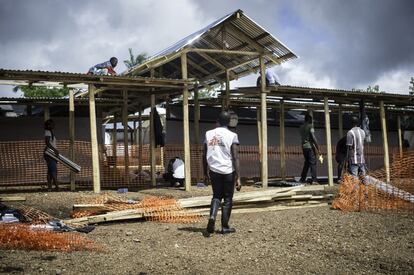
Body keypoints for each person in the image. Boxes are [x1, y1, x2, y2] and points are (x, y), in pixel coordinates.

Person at [203, 111, 241, 235]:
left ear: (217, 121)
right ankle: (225, 227)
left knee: (216, 196)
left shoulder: (208, 134)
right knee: (228, 198)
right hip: (228, 171)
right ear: (229, 122)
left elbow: (204, 155)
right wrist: (238, 177)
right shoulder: (232, 135)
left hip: (214, 170)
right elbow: (235, 157)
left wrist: (205, 172)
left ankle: (212, 217)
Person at [299, 113, 320, 184]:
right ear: (309, 120)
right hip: (310, 147)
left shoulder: (301, 127)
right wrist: (317, 147)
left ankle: (302, 178)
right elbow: (313, 137)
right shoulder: (310, 126)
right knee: (312, 163)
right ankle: (314, 180)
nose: (312, 121)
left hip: (304, 147)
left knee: (307, 163)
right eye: (311, 120)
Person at [44, 119, 59, 191]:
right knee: (53, 170)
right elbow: (47, 143)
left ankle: (49, 187)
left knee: (50, 171)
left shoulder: (50, 132)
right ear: (48, 125)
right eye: (52, 124)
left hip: (51, 153)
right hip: (50, 153)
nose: (54, 125)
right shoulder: (48, 132)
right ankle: (57, 186)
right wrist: (54, 150)